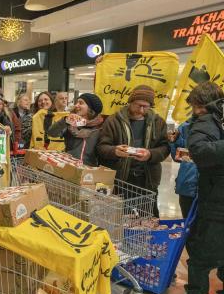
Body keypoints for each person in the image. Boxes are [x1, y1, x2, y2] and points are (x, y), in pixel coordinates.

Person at [183, 82, 224, 294]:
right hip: (216, 199)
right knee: (206, 248)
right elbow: (200, 151)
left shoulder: (218, 117)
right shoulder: (206, 121)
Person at [96, 84, 170, 217]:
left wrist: (150, 154)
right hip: (120, 180)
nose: (141, 110)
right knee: (120, 218)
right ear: (130, 102)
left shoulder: (158, 122)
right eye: (138, 105)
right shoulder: (113, 121)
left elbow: (165, 148)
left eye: (145, 106)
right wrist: (114, 151)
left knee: (147, 218)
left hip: (147, 180)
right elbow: (101, 147)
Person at [47, 93, 104, 166]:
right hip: (68, 167)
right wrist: (65, 120)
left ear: (90, 108)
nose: (76, 105)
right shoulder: (70, 123)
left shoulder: (100, 128)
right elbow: (51, 133)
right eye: (77, 102)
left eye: (81, 103)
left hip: (89, 171)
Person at [168, 121, 198, 218]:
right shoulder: (186, 126)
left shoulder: (219, 126)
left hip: (213, 189)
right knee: (187, 223)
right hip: (187, 184)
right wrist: (173, 141)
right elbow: (176, 157)